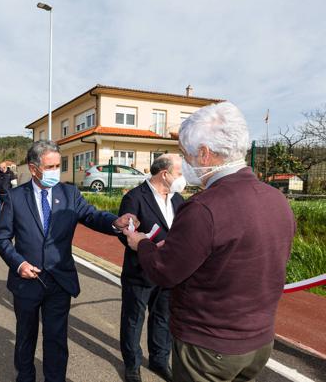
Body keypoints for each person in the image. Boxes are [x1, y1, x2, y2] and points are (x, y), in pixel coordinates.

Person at [122, 102, 296, 382]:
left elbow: (164, 272)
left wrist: (141, 243)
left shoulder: (205, 207)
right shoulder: (277, 200)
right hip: (260, 341)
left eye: (186, 155)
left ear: (203, 153)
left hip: (209, 347)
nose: (185, 164)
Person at [0, 140, 137, 382]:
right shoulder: (16, 197)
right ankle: (25, 377)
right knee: (25, 338)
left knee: (56, 340)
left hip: (59, 280)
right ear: (33, 168)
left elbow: (92, 216)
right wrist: (19, 264)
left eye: (58, 165)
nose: (55, 171)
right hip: (26, 281)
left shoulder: (69, 193)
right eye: (50, 166)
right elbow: (1, 238)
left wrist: (115, 222)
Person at [117, 154, 185, 382]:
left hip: (167, 272)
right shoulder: (135, 198)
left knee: (163, 318)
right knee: (133, 320)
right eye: (179, 172)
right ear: (164, 174)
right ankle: (132, 365)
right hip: (140, 271)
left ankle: (159, 360)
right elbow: (125, 236)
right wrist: (149, 244)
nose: (182, 177)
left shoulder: (178, 199)